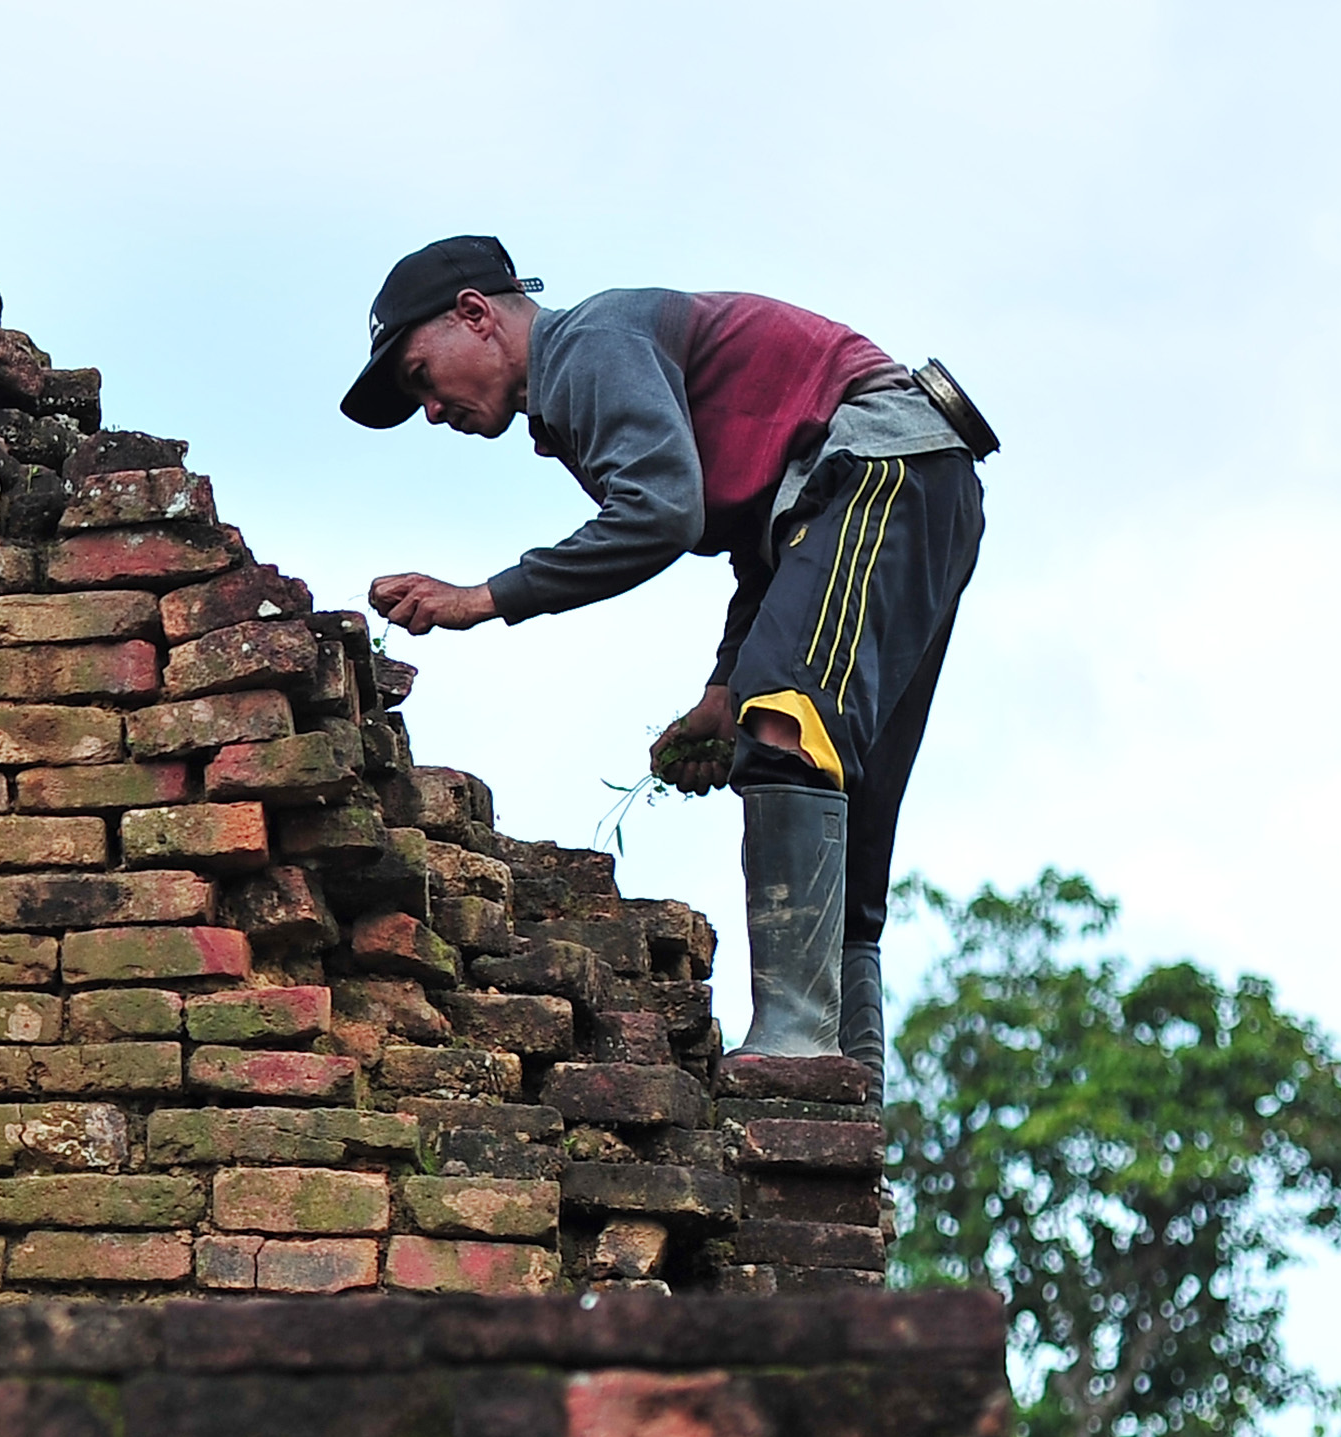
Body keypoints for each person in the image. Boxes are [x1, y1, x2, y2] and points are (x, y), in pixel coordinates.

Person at [342, 235, 987, 1074]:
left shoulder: (585, 347)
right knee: (836, 774)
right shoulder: (592, 368)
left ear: (475, 315)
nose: (431, 411)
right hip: (900, 484)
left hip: (880, 472)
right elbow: (773, 539)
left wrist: (483, 599)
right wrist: (724, 689)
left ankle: (798, 1042)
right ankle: (848, 1069)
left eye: (424, 378)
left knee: (787, 723)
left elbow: (661, 512)